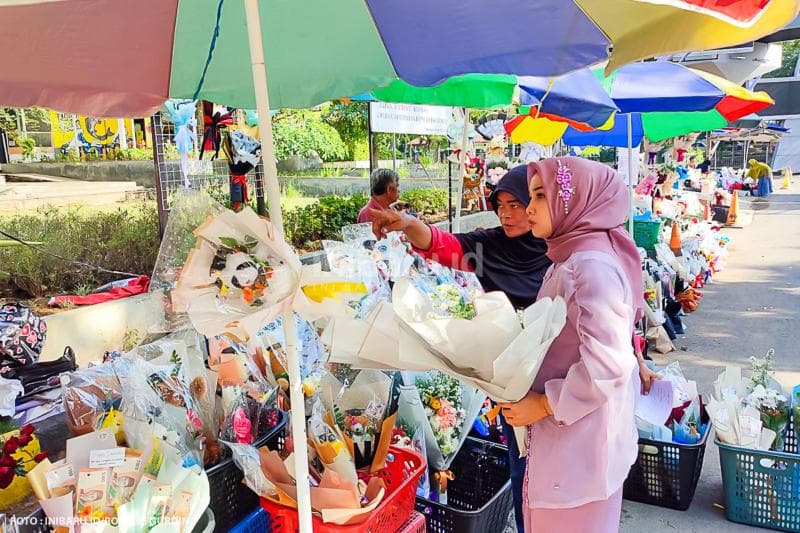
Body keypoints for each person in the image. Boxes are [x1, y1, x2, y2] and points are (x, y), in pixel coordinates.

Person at [370, 165, 550, 531]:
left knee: (555, 482)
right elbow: (444, 245)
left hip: (557, 387)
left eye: (516, 204)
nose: (507, 214)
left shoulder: (562, 250)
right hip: (512, 384)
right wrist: (405, 223)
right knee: (522, 473)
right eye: (500, 204)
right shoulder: (492, 247)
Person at [499, 157, 643, 532]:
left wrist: (545, 403)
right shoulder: (569, 258)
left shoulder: (589, 266)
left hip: (578, 448)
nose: (528, 209)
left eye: (541, 196)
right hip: (573, 443)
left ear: (573, 201)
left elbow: (608, 365)